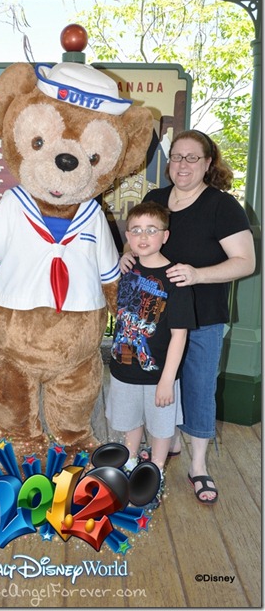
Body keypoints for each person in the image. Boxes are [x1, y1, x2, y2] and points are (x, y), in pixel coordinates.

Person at [120, 129, 255, 505]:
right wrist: (125, 257)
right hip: (153, 319)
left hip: (202, 316)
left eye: (192, 158)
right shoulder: (155, 199)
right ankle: (169, 442)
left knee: (196, 386)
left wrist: (197, 274)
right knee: (159, 382)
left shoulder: (222, 206)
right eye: (176, 157)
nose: (182, 165)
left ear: (208, 163)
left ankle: (198, 464)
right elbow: (139, 240)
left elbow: (246, 262)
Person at [106, 202, 196, 508]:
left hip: (160, 373)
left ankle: (154, 471)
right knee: (128, 419)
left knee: (160, 427)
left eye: (152, 230)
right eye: (136, 230)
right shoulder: (124, 270)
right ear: (128, 235)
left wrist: (167, 380)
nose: (143, 236)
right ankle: (130, 462)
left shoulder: (176, 279)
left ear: (165, 235)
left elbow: (179, 334)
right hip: (123, 366)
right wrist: (119, 262)